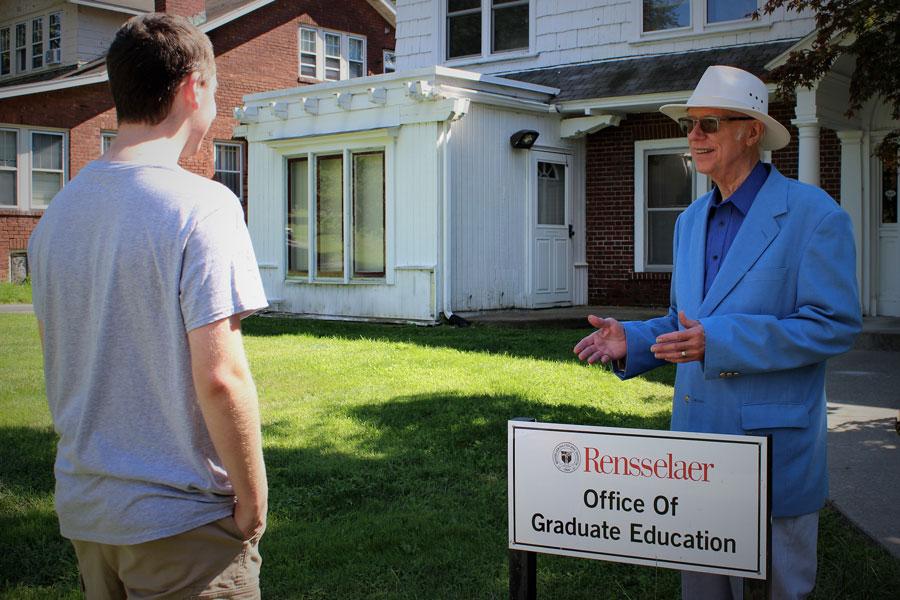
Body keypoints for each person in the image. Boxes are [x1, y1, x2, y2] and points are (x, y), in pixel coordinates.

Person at [574, 65, 861, 599]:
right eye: (690, 124)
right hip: (697, 450)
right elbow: (685, 320)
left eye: (708, 123)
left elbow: (834, 325)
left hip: (772, 450)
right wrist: (632, 340)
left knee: (779, 590)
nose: (694, 136)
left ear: (750, 131)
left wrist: (722, 341)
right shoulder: (689, 221)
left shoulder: (814, 216)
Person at [28, 13, 269, 598]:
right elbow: (220, 376)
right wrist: (254, 504)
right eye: (215, 88)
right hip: (182, 525)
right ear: (194, 87)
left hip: (90, 517)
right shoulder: (204, 206)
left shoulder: (58, 213)